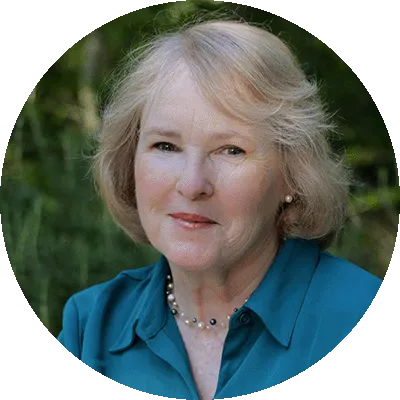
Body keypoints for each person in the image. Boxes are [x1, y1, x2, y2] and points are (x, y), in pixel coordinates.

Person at [56, 18, 383, 400]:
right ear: (130, 161)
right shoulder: (91, 326)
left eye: (231, 150)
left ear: (292, 176)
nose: (192, 185)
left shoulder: (355, 312)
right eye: (166, 146)